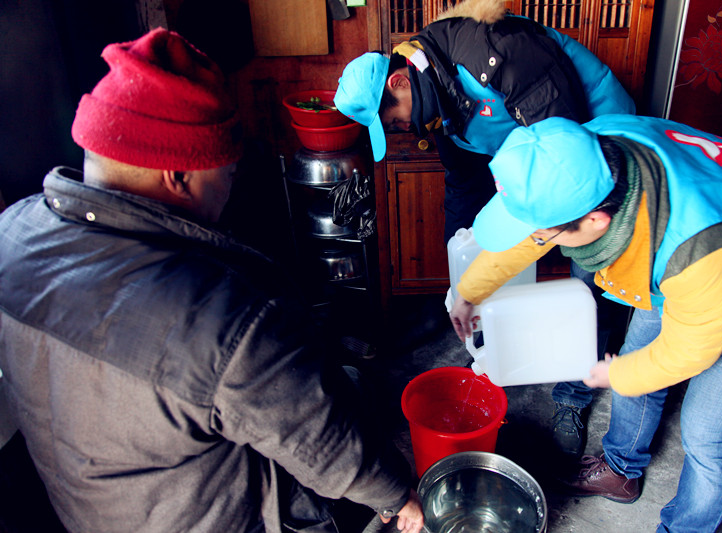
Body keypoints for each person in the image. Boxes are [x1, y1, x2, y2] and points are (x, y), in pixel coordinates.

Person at [0, 28, 423, 533]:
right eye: (227, 171)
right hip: (213, 520)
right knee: (349, 403)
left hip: (85, 515)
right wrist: (397, 497)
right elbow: (320, 440)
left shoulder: (12, 231)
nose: (229, 185)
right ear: (179, 175)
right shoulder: (222, 317)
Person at [449, 115, 722, 532]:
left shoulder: (695, 249)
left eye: (544, 236)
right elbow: (533, 232)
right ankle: (621, 471)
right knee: (638, 366)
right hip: (684, 251)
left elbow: (690, 349)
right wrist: (469, 291)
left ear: (596, 221)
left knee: (708, 433)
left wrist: (618, 374)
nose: (538, 239)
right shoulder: (584, 156)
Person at [334, 0, 635, 459]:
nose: (401, 128)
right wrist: (463, 281)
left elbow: (559, 164)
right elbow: (463, 186)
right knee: (486, 244)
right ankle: (493, 347)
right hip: (537, 149)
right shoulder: (432, 97)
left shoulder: (495, 55)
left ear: (399, 82)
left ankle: (574, 396)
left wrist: (518, 241)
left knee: (589, 274)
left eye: (393, 119)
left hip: (595, 142)